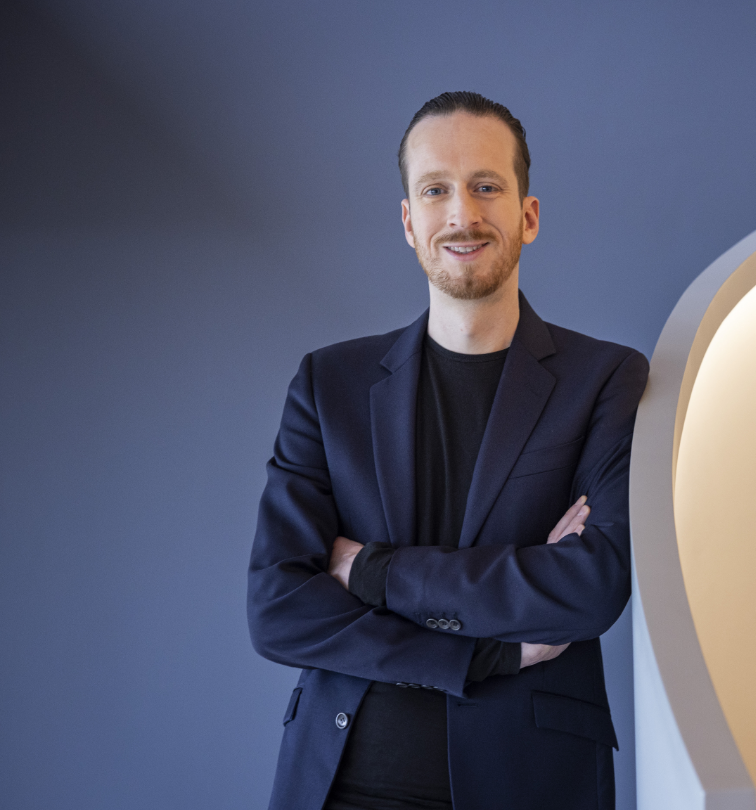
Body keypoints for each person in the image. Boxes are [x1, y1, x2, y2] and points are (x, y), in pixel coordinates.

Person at [247, 91, 648, 810]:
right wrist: (482, 652)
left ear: (527, 214)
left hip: (528, 781)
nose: (462, 214)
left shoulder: (605, 380)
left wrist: (370, 570)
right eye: (436, 190)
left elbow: (589, 587)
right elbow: (277, 606)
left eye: (486, 186)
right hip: (340, 782)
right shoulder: (327, 383)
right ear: (409, 221)